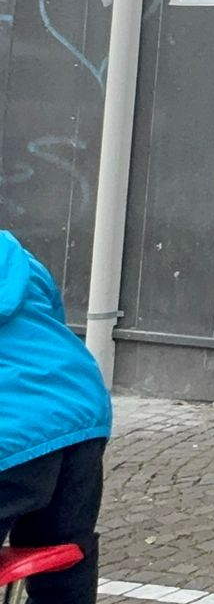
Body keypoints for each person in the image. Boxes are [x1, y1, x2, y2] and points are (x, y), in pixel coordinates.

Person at [0, 229, 113, 604]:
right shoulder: (10, 252)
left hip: (10, 431)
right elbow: (52, 314)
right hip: (77, 409)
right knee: (64, 556)